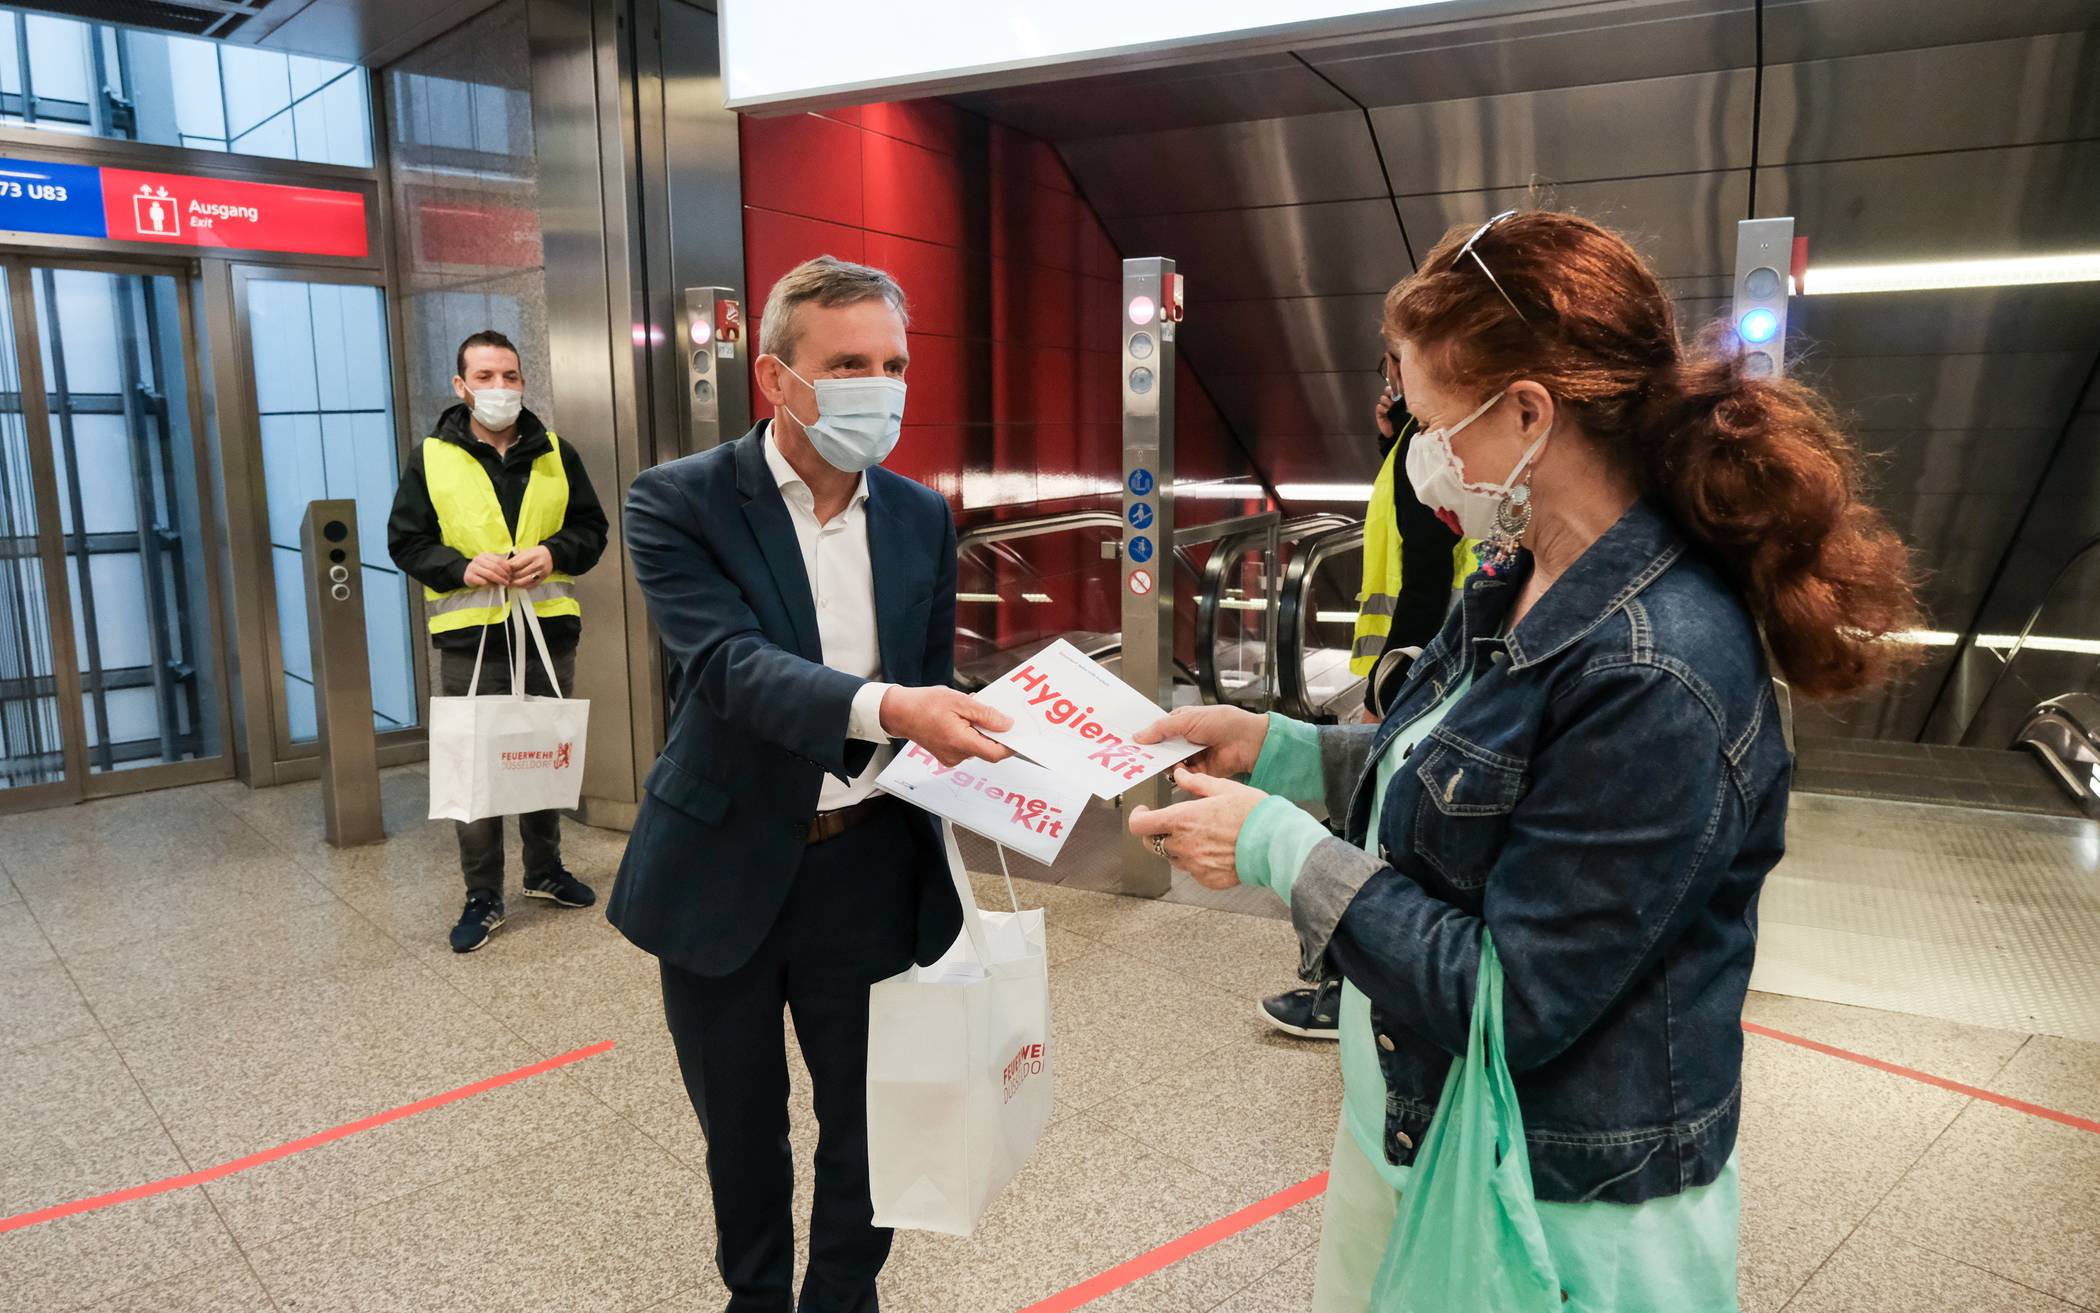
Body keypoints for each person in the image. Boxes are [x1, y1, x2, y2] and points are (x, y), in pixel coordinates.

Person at [1129, 210, 1918, 1312]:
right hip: (1436, 1129)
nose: (1418, 456)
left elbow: (1520, 995)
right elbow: (1454, 774)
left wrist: (1278, 850)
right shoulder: (1512, 575)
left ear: (1530, 414)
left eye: (1432, 420)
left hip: (1564, 1197)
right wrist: (1285, 752)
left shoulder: (1659, 666)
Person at [609, 256, 1014, 1313]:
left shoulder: (922, 516)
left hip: (870, 866)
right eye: (847, 364)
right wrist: (893, 707)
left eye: (893, 363)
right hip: (723, 860)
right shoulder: (679, 501)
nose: (878, 388)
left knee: (870, 1118)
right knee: (742, 1128)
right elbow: (728, 664)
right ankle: (755, 1297)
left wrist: (1018, 734)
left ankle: (842, 1295)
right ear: (775, 377)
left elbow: (933, 682)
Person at [1258, 362, 1473, 1042]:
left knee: (1384, 834)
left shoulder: (1432, 447)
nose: (1393, 379)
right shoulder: (1415, 442)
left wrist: (1389, 689)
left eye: (1400, 364)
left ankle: (1349, 985)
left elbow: (1427, 570)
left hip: (1421, 662)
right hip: (1426, 657)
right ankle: (1354, 985)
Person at [388, 329, 608, 953]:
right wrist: (462, 568)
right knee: (475, 769)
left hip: (547, 632)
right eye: (485, 377)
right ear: (461, 387)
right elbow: (407, 542)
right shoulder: (431, 457)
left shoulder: (555, 453)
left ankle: (544, 872)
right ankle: (482, 894)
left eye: (510, 376)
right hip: (469, 637)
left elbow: (591, 530)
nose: (500, 388)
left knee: (542, 754)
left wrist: (552, 552)